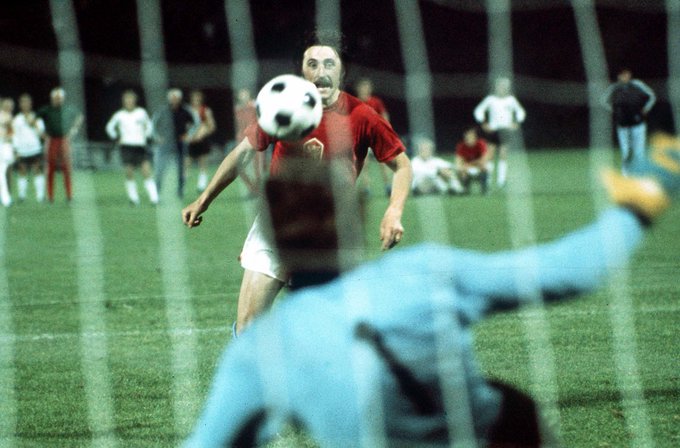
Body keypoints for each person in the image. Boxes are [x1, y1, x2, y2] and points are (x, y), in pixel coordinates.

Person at [183, 135, 680, 448]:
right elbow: (569, 272)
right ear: (357, 220)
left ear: (271, 240)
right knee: (511, 406)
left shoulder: (262, 349)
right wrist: (644, 198)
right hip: (493, 432)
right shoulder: (424, 271)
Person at [182, 31, 413, 335]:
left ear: (342, 71)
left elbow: (402, 165)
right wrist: (204, 199)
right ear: (302, 71)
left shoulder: (362, 115)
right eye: (312, 64)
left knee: (324, 333)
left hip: (329, 232)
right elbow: (243, 153)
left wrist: (394, 210)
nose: (321, 72)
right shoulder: (283, 107)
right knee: (249, 328)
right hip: (278, 221)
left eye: (329, 63)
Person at [105, 89, 158, 205]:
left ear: (135, 100)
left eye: (131, 99)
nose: (129, 101)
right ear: (123, 101)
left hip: (140, 146)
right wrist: (116, 137)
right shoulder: (119, 115)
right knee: (129, 172)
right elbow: (109, 127)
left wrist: (146, 135)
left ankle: (154, 198)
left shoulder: (141, 112)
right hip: (126, 146)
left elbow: (149, 126)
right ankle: (133, 199)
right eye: (126, 99)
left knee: (146, 170)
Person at [601, 68, 656, 175]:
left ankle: (641, 174)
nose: (624, 77)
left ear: (629, 75)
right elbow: (603, 100)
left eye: (626, 74)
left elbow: (652, 96)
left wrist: (646, 109)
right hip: (623, 125)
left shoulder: (637, 85)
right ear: (618, 77)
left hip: (638, 123)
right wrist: (614, 111)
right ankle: (625, 173)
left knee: (639, 150)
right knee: (626, 150)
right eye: (622, 75)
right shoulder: (615, 87)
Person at [473, 77, 525, 188]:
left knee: (503, 154)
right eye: (499, 87)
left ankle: (501, 181)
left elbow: (520, 111)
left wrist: (516, 122)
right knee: (490, 155)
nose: (501, 89)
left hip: (505, 130)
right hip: (493, 130)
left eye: (504, 87)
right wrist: (484, 123)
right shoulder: (490, 99)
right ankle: (488, 180)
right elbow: (479, 110)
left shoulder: (511, 100)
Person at [36, 87, 83, 203]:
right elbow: (35, 119)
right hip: (52, 140)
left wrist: (74, 130)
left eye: (60, 98)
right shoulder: (47, 110)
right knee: (50, 168)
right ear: (52, 98)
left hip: (64, 139)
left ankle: (69, 195)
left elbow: (80, 117)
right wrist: (41, 133)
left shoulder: (68, 109)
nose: (58, 100)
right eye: (56, 98)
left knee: (67, 168)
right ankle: (50, 196)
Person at [151, 88, 198, 199]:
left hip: (180, 144)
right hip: (165, 144)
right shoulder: (162, 111)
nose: (174, 100)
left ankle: (180, 191)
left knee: (181, 169)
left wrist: (188, 135)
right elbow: (153, 124)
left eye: (176, 98)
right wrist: (157, 137)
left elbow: (196, 123)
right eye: (172, 98)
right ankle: (158, 192)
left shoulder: (186, 111)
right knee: (161, 168)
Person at [355, 77, 393, 197]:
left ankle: (388, 186)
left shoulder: (376, 102)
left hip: (376, 136)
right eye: (362, 87)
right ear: (358, 89)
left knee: (384, 162)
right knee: (363, 163)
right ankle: (366, 188)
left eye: (366, 87)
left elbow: (384, 115)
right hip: (362, 138)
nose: (364, 89)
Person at [12, 93, 46, 203]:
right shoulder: (17, 119)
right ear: (20, 104)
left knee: (38, 171)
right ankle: (22, 196)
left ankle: (40, 196)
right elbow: (15, 135)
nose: (25, 104)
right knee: (22, 172)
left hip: (35, 149)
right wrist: (16, 149)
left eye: (27, 102)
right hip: (22, 150)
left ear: (31, 104)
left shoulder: (36, 117)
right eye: (23, 102)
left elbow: (41, 133)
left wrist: (33, 124)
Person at [233, 88, 263, 196]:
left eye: (244, 93)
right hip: (242, 140)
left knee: (258, 168)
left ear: (249, 94)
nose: (242, 96)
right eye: (241, 94)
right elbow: (239, 126)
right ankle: (252, 188)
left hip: (256, 139)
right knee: (238, 167)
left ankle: (256, 190)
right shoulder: (238, 109)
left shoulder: (256, 106)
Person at [185, 89, 216, 193]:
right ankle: (182, 186)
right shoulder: (187, 110)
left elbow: (211, 126)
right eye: (194, 98)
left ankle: (202, 186)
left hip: (202, 140)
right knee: (186, 163)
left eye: (198, 98)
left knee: (203, 163)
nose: (196, 100)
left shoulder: (205, 110)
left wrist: (202, 134)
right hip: (190, 141)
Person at [455, 126, 492, 195]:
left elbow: (484, 161)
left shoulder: (481, 144)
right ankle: (465, 189)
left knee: (486, 167)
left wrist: (468, 164)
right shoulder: (461, 146)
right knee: (460, 171)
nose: (468, 139)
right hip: (468, 169)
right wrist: (464, 168)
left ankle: (484, 189)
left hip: (478, 168)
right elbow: (458, 164)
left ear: (475, 137)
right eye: (467, 137)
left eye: (471, 137)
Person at [0, 97, 15, 207]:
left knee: (3, 172)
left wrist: (7, 138)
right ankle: (5, 198)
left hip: (4, 145)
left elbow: (12, 132)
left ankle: (6, 197)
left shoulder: (7, 116)